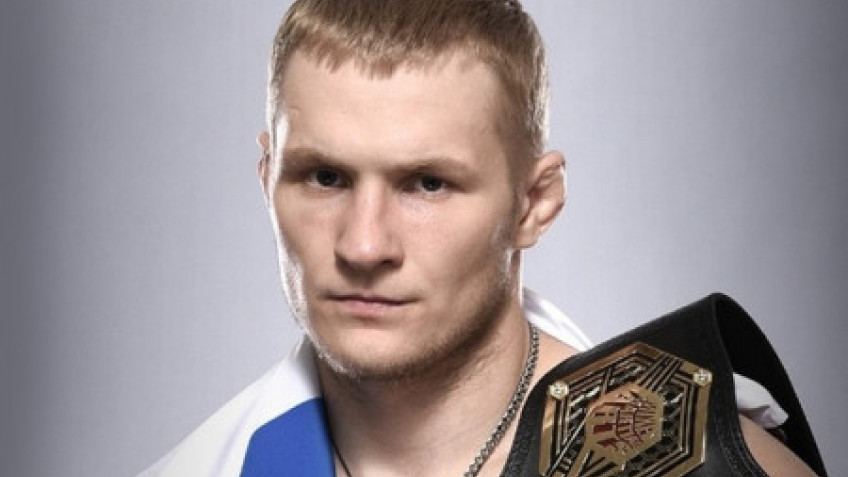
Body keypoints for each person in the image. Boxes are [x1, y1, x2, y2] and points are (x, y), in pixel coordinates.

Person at [140, 1, 827, 476]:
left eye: (427, 183)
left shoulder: (694, 460)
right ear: (267, 178)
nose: (364, 245)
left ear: (535, 203)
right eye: (325, 177)